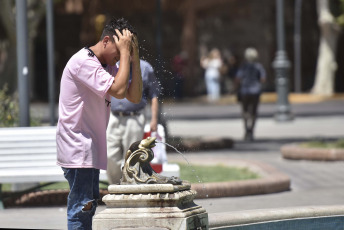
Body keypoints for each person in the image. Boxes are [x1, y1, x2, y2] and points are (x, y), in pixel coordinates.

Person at [56, 18, 142, 230]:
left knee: (87, 207)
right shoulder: (84, 62)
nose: (121, 56)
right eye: (119, 49)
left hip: (89, 150)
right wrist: (124, 53)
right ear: (106, 41)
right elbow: (119, 90)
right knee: (81, 208)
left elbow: (134, 96)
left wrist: (134, 58)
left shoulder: (107, 65)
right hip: (78, 148)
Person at [106, 59, 161, 184]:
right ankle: (116, 189)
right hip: (113, 117)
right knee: (110, 156)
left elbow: (154, 95)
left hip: (134, 118)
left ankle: (131, 189)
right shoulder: (112, 66)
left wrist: (154, 120)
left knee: (132, 158)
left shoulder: (145, 67)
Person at [235, 47, 266, 141]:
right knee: (254, 112)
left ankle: (246, 130)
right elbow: (263, 79)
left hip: (245, 91)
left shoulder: (243, 66)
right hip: (255, 91)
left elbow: (237, 78)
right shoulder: (259, 66)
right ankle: (251, 130)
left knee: (245, 111)